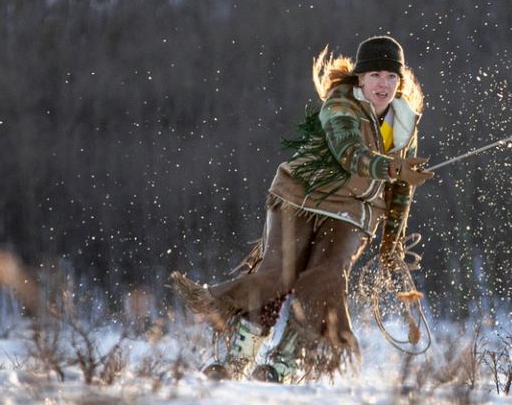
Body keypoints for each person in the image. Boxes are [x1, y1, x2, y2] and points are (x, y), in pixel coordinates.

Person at [173, 34, 435, 380]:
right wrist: (389, 167)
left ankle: (285, 361)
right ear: (360, 78)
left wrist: (391, 242)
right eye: (375, 75)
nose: (383, 84)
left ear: (399, 82)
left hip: (353, 212)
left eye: (390, 77)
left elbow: (401, 190)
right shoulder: (340, 105)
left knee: (324, 280)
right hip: (300, 197)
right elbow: (349, 153)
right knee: (279, 275)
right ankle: (239, 358)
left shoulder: (404, 124)